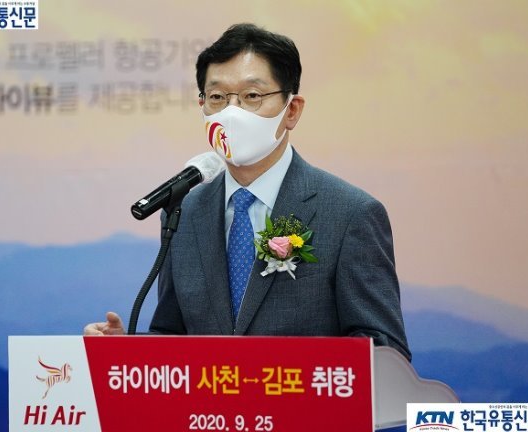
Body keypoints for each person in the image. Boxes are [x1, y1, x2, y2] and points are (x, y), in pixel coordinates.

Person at [84, 23, 411, 361]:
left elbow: (385, 351)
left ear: (292, 110)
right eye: (217, 98)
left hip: (294, 394)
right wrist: (127, 348)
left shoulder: (349, 214)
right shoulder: (184, 211)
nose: (232, 112)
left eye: (252, 96)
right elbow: (172, 335)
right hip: (210, 397)